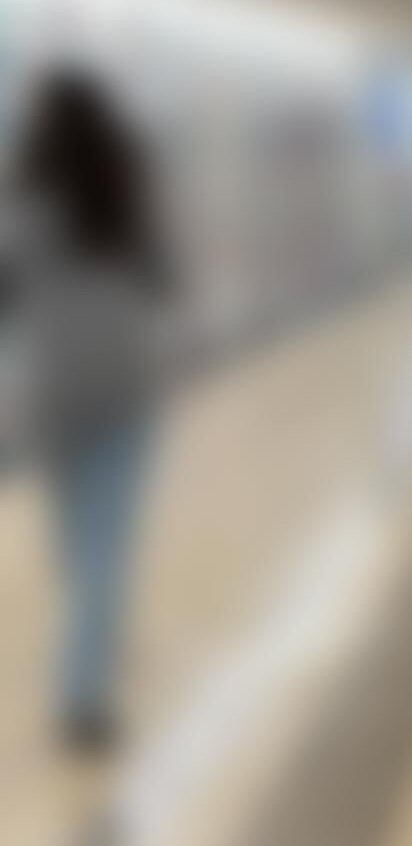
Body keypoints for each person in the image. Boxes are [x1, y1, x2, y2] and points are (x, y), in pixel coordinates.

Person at [5, 67, 171, 751]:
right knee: (107, 545)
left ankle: (91, 645)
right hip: (121, 391)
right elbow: (162, 282)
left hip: (53, 396)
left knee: (77, 540)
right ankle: (84, 693)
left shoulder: (23, 213)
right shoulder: (121, 208)